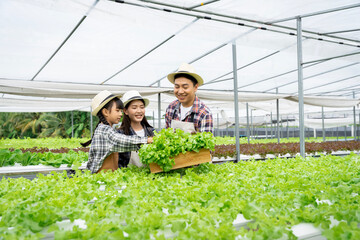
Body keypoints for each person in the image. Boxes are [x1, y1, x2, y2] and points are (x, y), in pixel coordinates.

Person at [82, 90, 153, 173]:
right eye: (117, 110)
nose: (120, 114)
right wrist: (146, 140)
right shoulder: (104, 130)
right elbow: (122, 140)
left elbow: (125, 146)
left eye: (121, 111)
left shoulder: (104, 129)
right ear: (105, 112)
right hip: (100, 178)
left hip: (104, 176)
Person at [165, 63, 213, 133]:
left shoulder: (204, 113)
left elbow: (206, 142)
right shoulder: (171, 108)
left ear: (195, 87)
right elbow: (167, 136)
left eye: (185, 87)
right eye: (177, 87)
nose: (180, 91)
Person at [117, 90, 155, 168]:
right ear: (125, 111)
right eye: (134, 108)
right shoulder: (120, 134)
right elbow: (118, 163)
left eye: (142, 107)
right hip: (128, 178)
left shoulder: (152, 132)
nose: (139, 111)